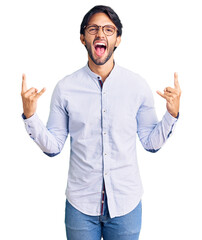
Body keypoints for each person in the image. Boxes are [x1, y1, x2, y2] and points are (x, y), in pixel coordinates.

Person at [21, 5, 181, 240]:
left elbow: (151, 143)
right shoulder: (65, 88)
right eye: (93, 28)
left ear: (117, 39)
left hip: (126, 206)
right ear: (82, 37)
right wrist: (30, 116)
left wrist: (172, 114)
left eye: (108, 29)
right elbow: (53, 147)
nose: (100, 34)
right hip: (80, 207)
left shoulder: (137, 86)